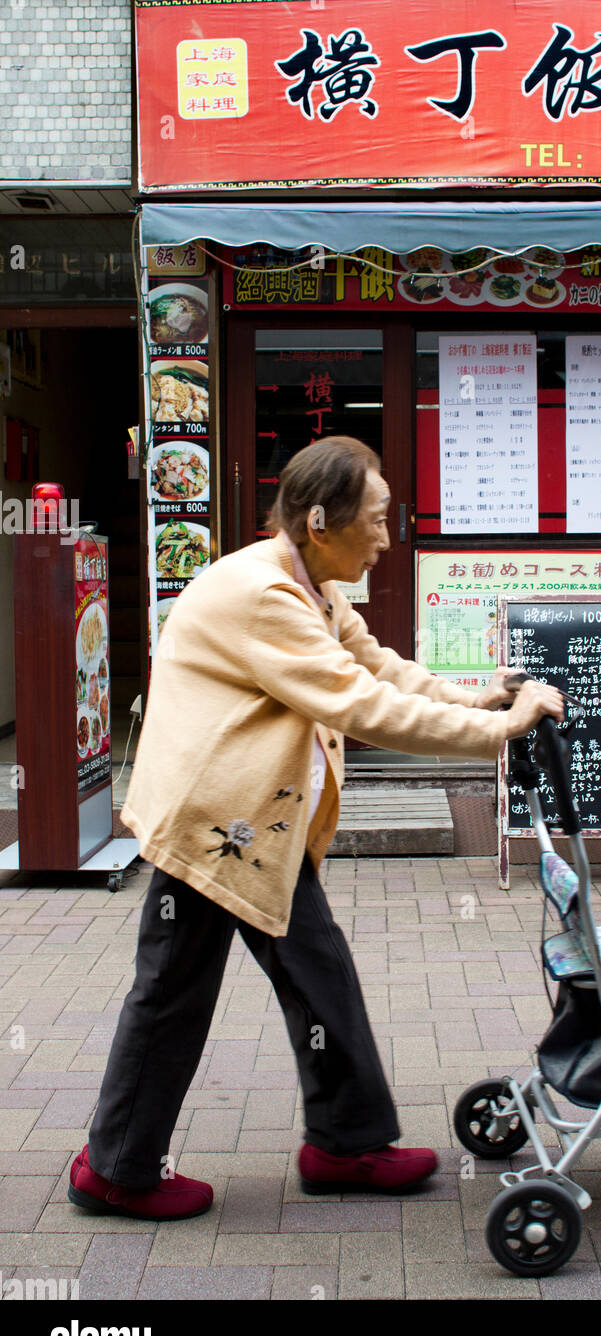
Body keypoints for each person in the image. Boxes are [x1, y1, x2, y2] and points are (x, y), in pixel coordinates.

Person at [68, 436, 564, 1220]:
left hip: (259, 823)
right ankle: (118, 1169)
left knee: (317, 973)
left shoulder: (314, 588)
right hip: (216, 826)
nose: (385, 536)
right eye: (375, 519)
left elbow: (381, 669)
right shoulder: (266, 594)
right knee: (172, 992)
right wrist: (502, 734)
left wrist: (479, 697)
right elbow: (358, 705)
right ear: (321, 519)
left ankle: (345, 1144)